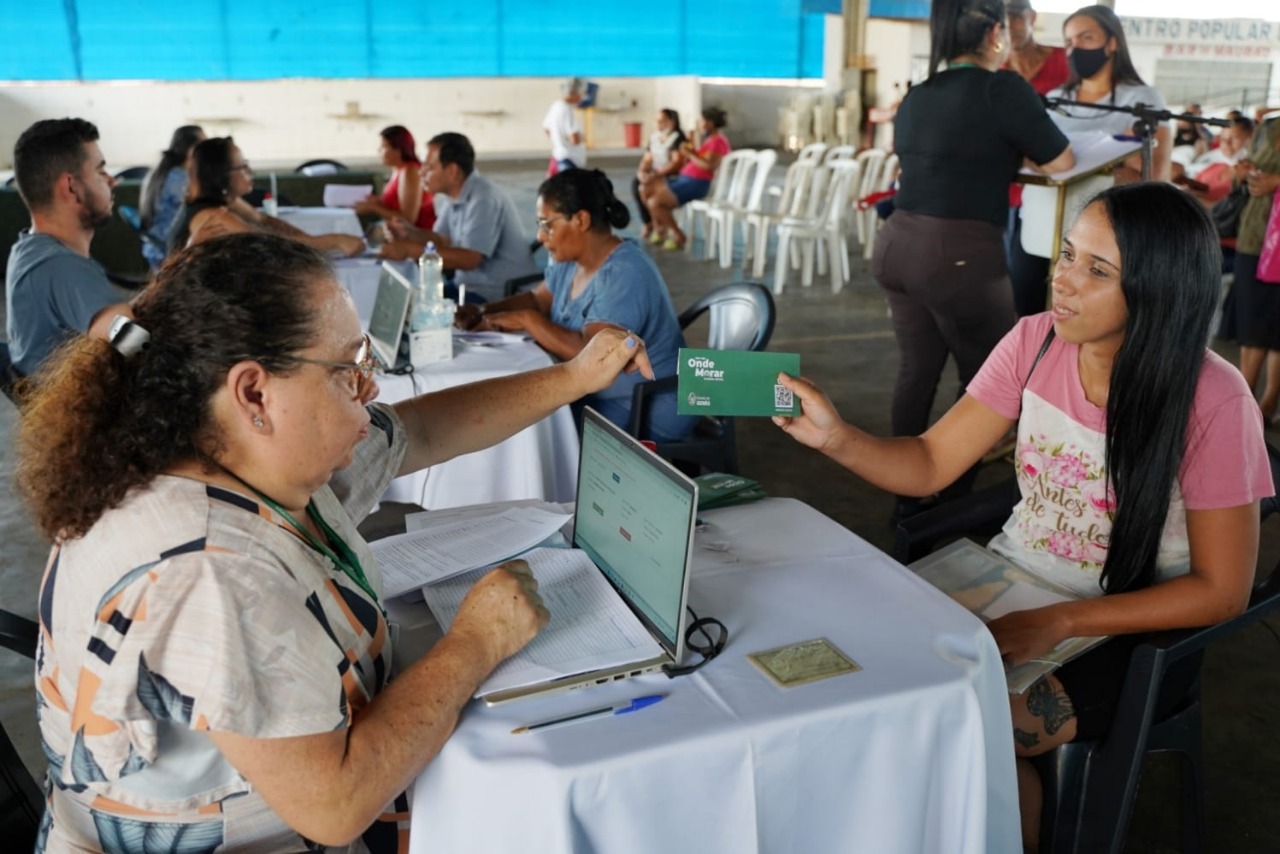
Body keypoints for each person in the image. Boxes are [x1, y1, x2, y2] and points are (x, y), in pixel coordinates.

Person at [18, 232, 654, 852]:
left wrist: (575, 377)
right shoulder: (210, 570)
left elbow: (421, 431)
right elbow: (336, 803)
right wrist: (475, 642)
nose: (369, 387)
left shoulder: (230, 452)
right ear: (253, 392)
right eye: (349, 367)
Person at [774, 182, 1271, 849]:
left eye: (1097, 271)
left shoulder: (1212, 398)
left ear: (1156, 290)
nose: (1062, 281)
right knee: (857, 675)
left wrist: (1062, 619)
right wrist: (836, 437)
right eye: (1066, 255)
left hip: (1136, 629)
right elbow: (928, 462)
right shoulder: (1035, 342)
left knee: (965, 726)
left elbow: (1221, 590)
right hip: (1013, 581)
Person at [875, 0, 1073, 516]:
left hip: (897, 243)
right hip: (957, 253)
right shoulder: (1002, 88)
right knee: (991, 377)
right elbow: (1062, 159)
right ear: (993, 34)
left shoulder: (920, 92)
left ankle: (907, 496)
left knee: (916, 370)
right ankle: (945, 499)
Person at [457, 169, 695, 441]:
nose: (541, 237)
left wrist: (526, 320)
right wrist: (485, 311)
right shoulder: (569, 261)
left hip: (644, 405)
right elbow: (538, 299)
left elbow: (592, 357)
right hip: (601, 395)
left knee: (528, 433)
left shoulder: (624, 272)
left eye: (547, 224)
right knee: (512, 418)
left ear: (581, 219)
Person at [4, 118, 133, 377]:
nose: (112, 181)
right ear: (71, 187)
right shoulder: (61, 267)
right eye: (100, 171)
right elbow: (133, 342)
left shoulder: (29, 249)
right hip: (84, 412)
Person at [383, 132, 539, 302]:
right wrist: (408, 233)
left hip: (497, 293)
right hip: (467, 285)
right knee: (409, 302)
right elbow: (441, 240)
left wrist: (409, 250)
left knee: (419, 313)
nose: (421, 173)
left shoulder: (484, 198)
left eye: (428, 167)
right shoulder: (454, 196)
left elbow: (470, 259)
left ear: (452, 171)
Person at [168, 137, 365, 258]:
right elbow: (272, 246)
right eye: (243, 167)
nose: (250, 171)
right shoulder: (214, 216)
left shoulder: (228, 200)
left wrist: (309, 239)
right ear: (222, 175)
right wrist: (334, 240)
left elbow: (262, 220)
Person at [1046, 6, 1171, 183]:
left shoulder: (1143, 99)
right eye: (1069, 42)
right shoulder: (1054, 99)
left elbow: (1154, 175)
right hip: (1042, 205)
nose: (1076, 48)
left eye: (1086, 37)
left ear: (1113, 42)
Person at [1231, 116, 1280, 421]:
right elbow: (1253, 178)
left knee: (1277, 326)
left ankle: (1269, 399)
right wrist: (1246, 174)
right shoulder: (1268, 126)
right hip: (1254, 235)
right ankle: (1243, 396)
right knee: (1251, 321)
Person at [644, 106, 731, 251]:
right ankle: (660, 228)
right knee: (646, 187)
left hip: (696, 183)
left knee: (654, 202)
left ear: (709, 122)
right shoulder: (709, 139)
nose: (699, 123)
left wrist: (690, 154)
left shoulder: (717, 142)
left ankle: (678, 235)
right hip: (686, 179)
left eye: (701, 120)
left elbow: (708, 166)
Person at [138, 124, 204, 268]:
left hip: (156, 247)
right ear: (191, 149)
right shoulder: (178, 178)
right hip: (167, 249)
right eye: (203, 144)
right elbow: (196, 203)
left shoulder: (165, 171)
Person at [353, 125, 436, 234]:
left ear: (398, 150)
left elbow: (408, 219)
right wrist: (379, 203)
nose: (379, 151)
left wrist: (373, 208)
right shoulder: (398, 170)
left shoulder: (410, 171)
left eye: (384, 147)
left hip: (418, 236)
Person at [633, 109, 687, 241]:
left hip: (670, 175)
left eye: (660, 120)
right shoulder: (655, 137)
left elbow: (676, 163)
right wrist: (642, 172)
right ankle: (651, 223)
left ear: (670, 122)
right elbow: (647, 158)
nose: (657, 123)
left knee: (648, 189)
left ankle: (662, 226)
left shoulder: (678, 138)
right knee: (637, 185)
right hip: (655, 173)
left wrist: (656, 174)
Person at [1003, 0, 1069, 95]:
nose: (1009, 27)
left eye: (1016, 18)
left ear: (1032, 17)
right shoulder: (993, 69)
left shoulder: (1063, 59)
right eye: (1003, 20)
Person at [543, 77, 587, 174]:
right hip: (570, 159)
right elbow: (574, 139)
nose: (583, 97)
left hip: (558, 156)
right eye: (582, 93)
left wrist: (558, 141)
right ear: (575, 93)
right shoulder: (567, 110)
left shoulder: (555, 106)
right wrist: (582, 138)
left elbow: (546, 128)